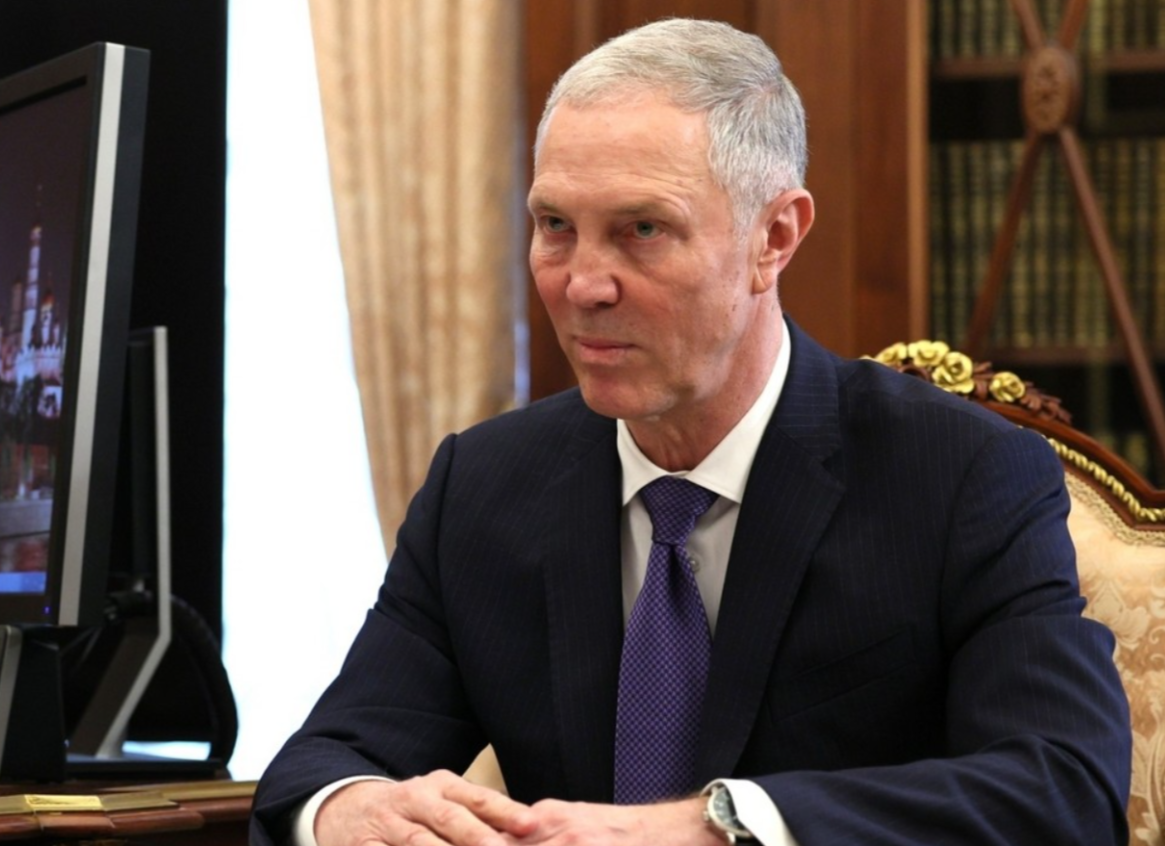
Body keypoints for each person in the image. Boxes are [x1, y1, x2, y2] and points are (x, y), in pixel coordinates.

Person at [251, 18, 1131, 846]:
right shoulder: (482, 484)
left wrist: (718, 828)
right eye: (556, 226)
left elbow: (1063, 787)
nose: (583, 284)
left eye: (642, 230)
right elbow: (325, 764)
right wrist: (352, 810)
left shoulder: (957, 474)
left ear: (774, 237)